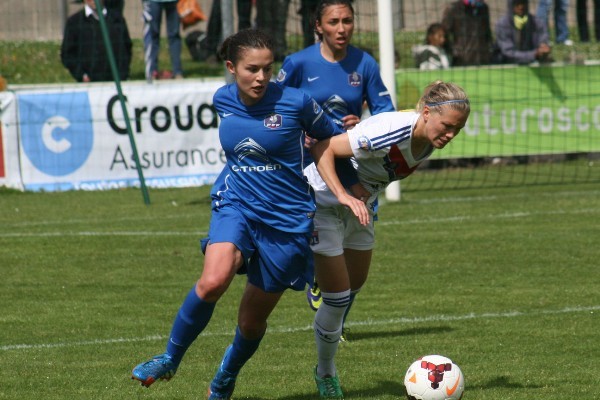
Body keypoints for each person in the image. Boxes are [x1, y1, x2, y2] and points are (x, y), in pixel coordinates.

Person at [130, 28, 368, 399]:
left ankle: (225, 377)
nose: (260, 78)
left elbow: (329, 143)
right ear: (231, 67)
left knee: (251, 322)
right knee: (213, 280)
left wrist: (348, 190)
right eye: (251, 69)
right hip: (236, 204)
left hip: (288, 221)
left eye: (267, 69)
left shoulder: (297, 101)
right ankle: (169, 358)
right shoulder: (222, 99)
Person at [305, 81, 470, 398]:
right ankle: (325, 373)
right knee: (337, 298)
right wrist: (345, 194)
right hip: (324, 200)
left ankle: (318, 272)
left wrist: (359, 197)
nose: (450, 134)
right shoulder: (392, 130)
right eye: (447, 125)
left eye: (458, 129)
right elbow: (322, 148)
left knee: (354, 284)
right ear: (425, 112)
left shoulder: (428, 140)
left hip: (359, 209)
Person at [275, 0, 395, 345]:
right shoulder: (298, 64)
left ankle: (334, 319)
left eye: (347, 21)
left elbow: (385, 112)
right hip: (305, 166)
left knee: (356, 250)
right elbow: (276, 108)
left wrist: (363, 124)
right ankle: (317, 282)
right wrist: (302, 131)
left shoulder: (365, 63)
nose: (342, 28)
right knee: (312, 232)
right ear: (318, 26)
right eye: (334, 21)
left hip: (352, 165)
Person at [61, 0, 132, 82]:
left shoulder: (117, 19)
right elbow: (67, 54)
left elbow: (127, 47)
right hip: (90, 82)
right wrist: (81, 75)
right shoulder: (75, 22)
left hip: (117, 80)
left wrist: (124, 72)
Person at [494, 0, 552, 64]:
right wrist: (533, 54)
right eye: (517, 4)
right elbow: (508, 52)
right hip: (506, 64)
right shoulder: (502, 24)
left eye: (523, 3)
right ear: (511, 5)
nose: (521, 7)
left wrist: (543, 47)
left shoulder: (537, 23)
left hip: (532, 63)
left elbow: (543, 39)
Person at [441, 0, 493, 66]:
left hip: (483, 59)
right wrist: (455, 52)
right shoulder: (453, 8)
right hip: (462, 60)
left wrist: (489, 51)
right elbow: (444, 34)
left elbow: (487, 32)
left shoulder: (483, 8)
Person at [142, 0, 183, 80]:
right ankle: (152, 72)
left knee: (174, 35)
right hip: (152, 1)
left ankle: (178, 72)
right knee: (152, 35)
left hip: (174, 2)